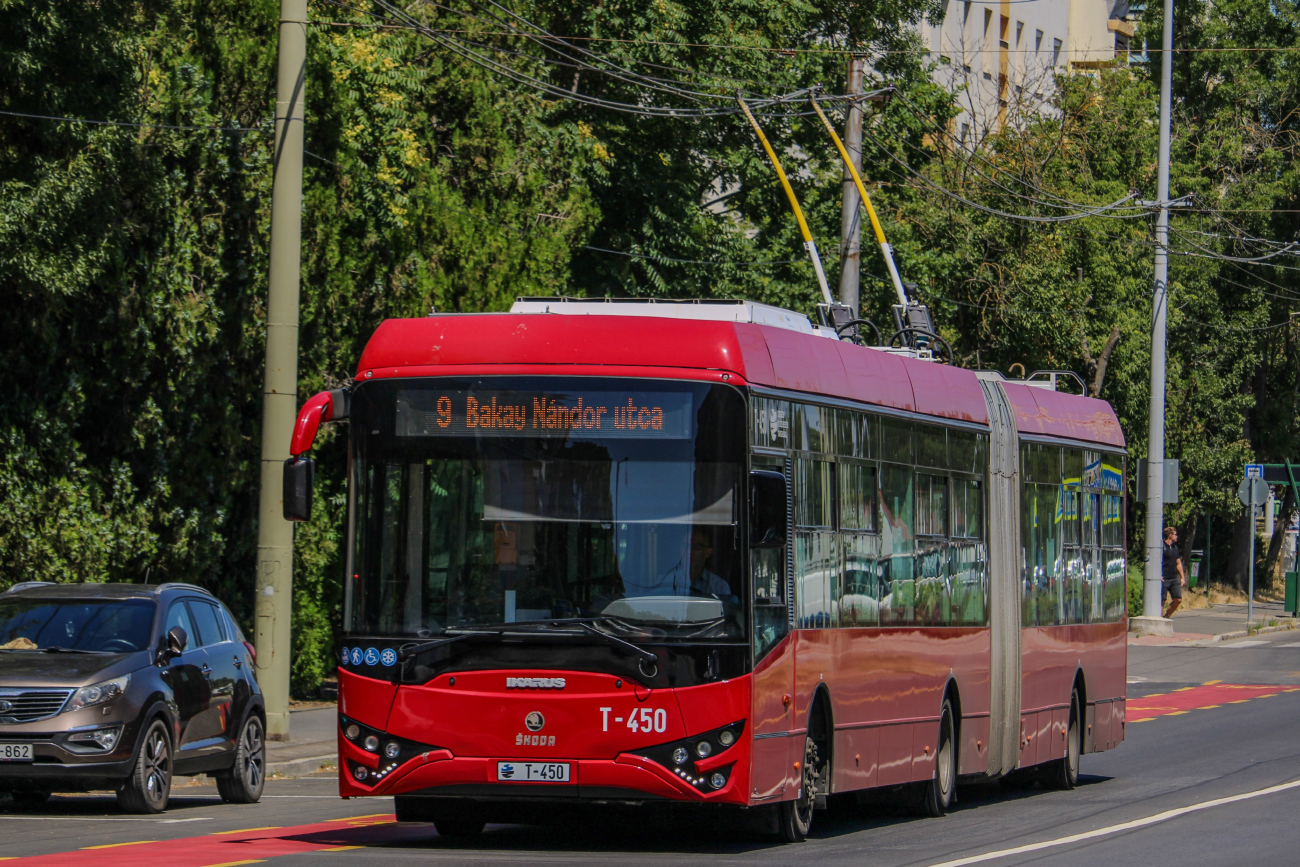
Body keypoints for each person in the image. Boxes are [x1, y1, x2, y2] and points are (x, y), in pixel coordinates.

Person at [1162, 526, 1186, 618]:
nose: (1177, 537)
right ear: (1170, 535)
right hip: (1164, 578)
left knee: (1178, 599)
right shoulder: (1162, 547)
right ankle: (1160, 619)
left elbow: (1178, 563)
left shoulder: (1175, 547)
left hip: (1173, 578)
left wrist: (1182, 577)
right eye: (1175, 535)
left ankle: (1166, 616)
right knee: (1162, 601)